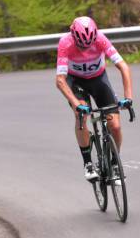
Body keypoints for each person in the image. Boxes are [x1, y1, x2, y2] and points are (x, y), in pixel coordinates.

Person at [55, 16, 133, 183]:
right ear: (73, 35)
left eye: (89, 45)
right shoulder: (65, 43)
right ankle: (88, 163)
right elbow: (60, 80)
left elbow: (123, 67)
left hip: (98, 79)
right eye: (81, 45)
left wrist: (128, 98)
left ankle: (114, 163)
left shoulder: (100, 39)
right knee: (82, 115)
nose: (85, 48)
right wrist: (77, 105)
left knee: (116, 125)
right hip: (76, 82)